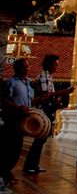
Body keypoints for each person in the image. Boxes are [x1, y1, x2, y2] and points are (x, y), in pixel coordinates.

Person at [24, 54, 75, 174]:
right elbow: (45, 96)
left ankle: (34, 164)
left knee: (41, 141)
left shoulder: (49, 78)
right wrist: (64, 91)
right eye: (56, 64)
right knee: (39, 141)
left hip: (48, 112)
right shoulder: (43, 78)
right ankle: (29, 165)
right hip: (42, 111)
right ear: (49, 65)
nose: (57, 67)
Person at [0, 59, 46, 188]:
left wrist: (40, 100)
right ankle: (5, 174)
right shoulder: (10, 82)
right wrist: (18, 107)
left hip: (23, 120)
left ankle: (6, 172)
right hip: (12, 118)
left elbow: (31, 100)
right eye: (23, 67)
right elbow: (4, 99)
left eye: (27, 67)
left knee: (17, 149)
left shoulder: (28, 83)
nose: (26, 70)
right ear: (16, 68)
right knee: (8, 147)